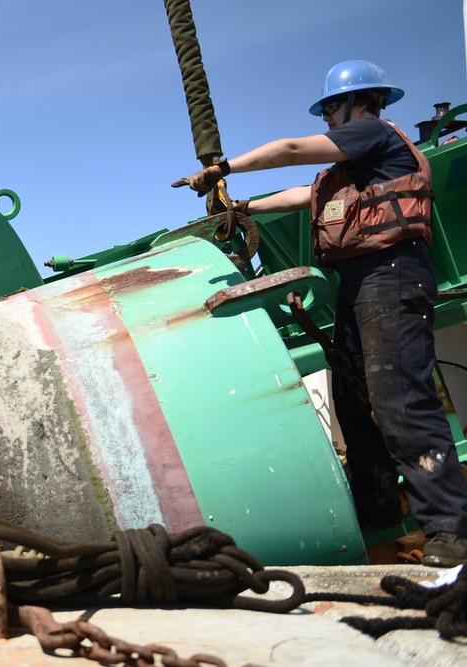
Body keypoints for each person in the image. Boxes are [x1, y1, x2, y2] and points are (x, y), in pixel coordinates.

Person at [173, 60, 467, 566]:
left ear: (359, 102)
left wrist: (224, 169)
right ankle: (378, 514)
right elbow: (304, 196)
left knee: (401, 401)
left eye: (330, 107)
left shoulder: (373, 133)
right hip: (359, 283)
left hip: (392, 273)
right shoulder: (356, 170)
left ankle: (452, 530)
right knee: (356, 398)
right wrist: (242, 207)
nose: (328, 118)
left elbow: (289, 151)